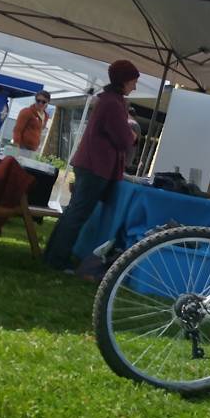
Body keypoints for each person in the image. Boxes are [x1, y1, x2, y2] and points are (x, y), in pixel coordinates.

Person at [44, 60, 139, 271]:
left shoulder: (109, 100)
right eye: (133, 81)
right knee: (77, 214)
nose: (135, 86)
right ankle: (58, 260)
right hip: (96, 166)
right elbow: (123, 139)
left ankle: (52, 256)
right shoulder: (113, 103)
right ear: (124, 81)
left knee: (73, 213)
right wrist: (132, 135)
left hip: (90, 164)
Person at [12, 90, 50, 154]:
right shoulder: (26, 112)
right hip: (22, 147)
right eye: (38, 101)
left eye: (43, 102)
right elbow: (17, 130)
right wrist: (16, 146)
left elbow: (39, 131)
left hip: (33, 149)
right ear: (35, 100)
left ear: (47, 102)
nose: (40, 103)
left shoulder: (46, 116)